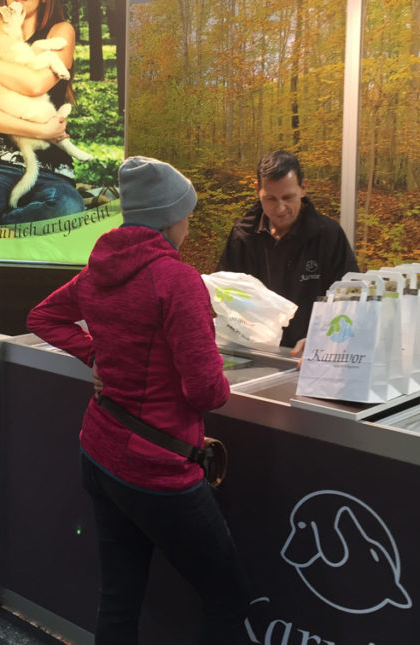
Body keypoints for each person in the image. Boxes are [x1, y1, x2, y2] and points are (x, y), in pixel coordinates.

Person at [27, 157, 253, 644]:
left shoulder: (98, 270)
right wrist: (100, 356)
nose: (189, 223)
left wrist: (96, 355)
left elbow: (42, 316)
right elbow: (207, 392)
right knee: (228, 599)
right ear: (170, 218)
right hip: (158, 470)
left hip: (99, 452)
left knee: (119, 597)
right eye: (186, 213)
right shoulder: (177, 280)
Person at [216, 150, 359, 351]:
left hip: (311, 353)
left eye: (288, 197)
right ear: (257, 190)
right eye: (270, 199)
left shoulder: (328, 235)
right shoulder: (242, 236)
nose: (280, 208)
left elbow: (350, 298)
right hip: (254, 351)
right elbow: (224, 295)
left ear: (303, 188)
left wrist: (323, 338)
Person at [0, 0, 86, 225]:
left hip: (51, 168)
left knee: (68, 208)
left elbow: (35, 85)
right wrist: (43, 131)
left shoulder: (61, 30)